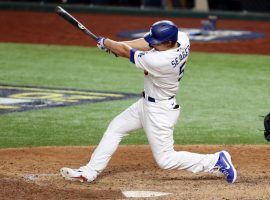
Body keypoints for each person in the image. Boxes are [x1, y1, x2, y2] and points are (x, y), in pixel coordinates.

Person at [60, 20, 237, 183]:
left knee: (166, 160)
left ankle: (216, 160)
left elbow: (125, 52)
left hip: (159, 111)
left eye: (156, 42)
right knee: (116, 128)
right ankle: (89, 171)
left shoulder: (160, 61)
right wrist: (112, 44)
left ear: (167, 43)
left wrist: (109, 45)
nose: (152, 44)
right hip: (145, 104)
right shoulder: (181, 38)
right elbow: (143, 44)